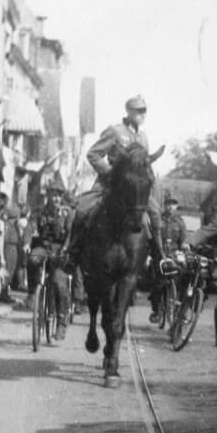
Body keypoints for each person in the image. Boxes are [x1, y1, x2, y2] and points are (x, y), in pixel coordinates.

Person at [66, 94, 164, 266]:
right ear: (129, 111)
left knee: (155, 214)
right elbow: (93, 154)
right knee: (83, 209)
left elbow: (144, 164)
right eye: (138, 111)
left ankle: (161, 258)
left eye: (144, 111)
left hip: (135, 191)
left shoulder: (144, 137)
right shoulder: (115, 131)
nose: (142, 114)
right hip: (110, 184)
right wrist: (110, 172)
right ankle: (72, 255)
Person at [27, 176, 72, 340]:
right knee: (32, 259)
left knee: (59, 283)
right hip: (43, 247)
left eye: (59, 195)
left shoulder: (67, 213)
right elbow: (30, 228)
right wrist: (26, 243)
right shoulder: (39, 211)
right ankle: (32, 293)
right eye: (54, 194)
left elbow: (70, 234)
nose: (56, 198)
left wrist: (66, 248)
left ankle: (61, 323)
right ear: (48, 195)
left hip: (59, 251)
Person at [148, 192, 188, 323]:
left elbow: (182, 241)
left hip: (174, 256)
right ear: (164, 205)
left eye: (173, 204)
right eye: (168, 204)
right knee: (157, 283)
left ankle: (180, 310)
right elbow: (151, 238)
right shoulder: (158, 219)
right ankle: (156, 311)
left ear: (176, 206)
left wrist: (184, 247)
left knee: (182, 280)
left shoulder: (180, 222)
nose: (171, 207)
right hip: (160, 255)